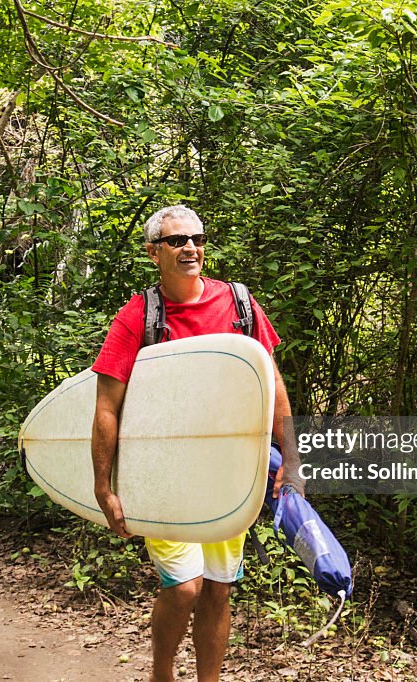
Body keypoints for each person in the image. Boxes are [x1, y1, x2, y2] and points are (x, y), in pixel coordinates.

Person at [90, 205, 304, 682]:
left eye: (197, 238)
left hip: (227, 469)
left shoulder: (240, 304)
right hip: (164, 472)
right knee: (184, 587)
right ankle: (162, 674)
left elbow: (273, 387)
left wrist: (291, 461)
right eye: (176, 240)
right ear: (153, 252)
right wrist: (104, 488)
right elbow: (106, 406)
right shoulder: (138, 316)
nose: (190, 247)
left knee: (219, 589)